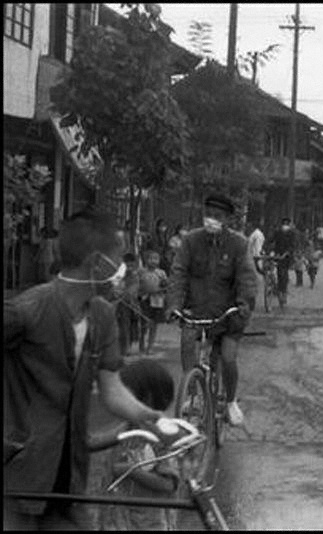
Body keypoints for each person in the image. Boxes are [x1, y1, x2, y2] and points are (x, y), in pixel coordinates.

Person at [4, 208, 169, 529]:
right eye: (117, 259)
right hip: (20, 475)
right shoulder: (26, 311)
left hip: (69, 475)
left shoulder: (102, 316)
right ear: (96, 263)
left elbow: (112, 388)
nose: (123, 270)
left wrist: (145, 415)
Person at [167, 194, 257, 427]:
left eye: (217, 216)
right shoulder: (190, 241)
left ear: (227, 219)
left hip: (229, 315)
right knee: (188, 343)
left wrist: (243, 306)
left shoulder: (239, 244)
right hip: (197, 313)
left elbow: (247, 279)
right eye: (208, 215)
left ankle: (229, 401)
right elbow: (178, 274)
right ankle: (192, 394)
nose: (211, 220)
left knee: (227, 357)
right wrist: (174, 305)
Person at [99, 360, 179, 530]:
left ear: (147, 398)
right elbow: (99, 443)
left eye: (127, 395)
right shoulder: (127, 428)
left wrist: (131, 470)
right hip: (120, 518)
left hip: (149, 523)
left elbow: (168, 484)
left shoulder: (161, 435)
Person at [138, 250, 168, 355]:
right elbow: (137, 285)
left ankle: (150, 346)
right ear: (146, 260)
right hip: (144, 299)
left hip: (157, 301)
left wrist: (164, 286)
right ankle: (141, 343)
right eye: (151, 258)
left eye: (156, 259)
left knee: (154, 324)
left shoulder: (161, 273)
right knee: (143, 324)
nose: (153, 261)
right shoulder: (141, 272)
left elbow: (166, 287)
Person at [116, 252, 142, 357]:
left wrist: (127, 296)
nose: (130, 268)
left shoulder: (135, 276)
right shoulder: (119, 276)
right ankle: (122, 348)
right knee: (121, 327)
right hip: (120, 305)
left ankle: (128, 347)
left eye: (132, 265)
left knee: (130, 327)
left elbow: (133, 290)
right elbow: (116, 288)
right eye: (127, 265)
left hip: (131, 305)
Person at [267, 217, 296, 306]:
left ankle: (282, 292)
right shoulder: (287, 232)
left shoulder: (281, 232)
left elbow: (270, 240)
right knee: (282, 274)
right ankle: (281, 292)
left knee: (282, 274)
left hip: (283, 255)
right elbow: (271, 240)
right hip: (282, 255)